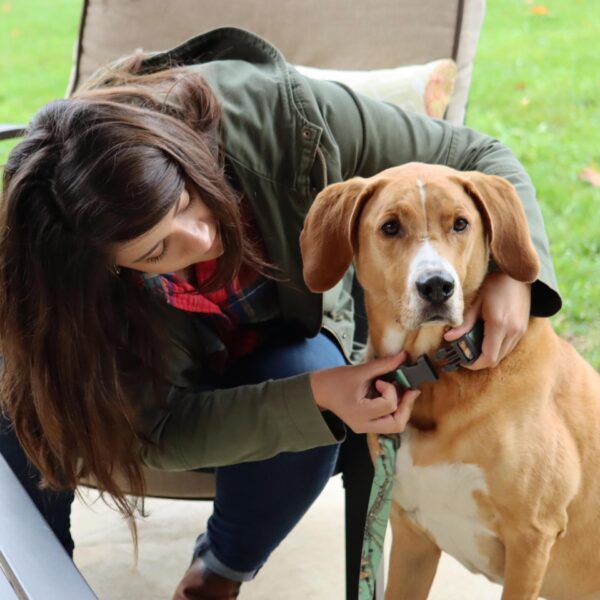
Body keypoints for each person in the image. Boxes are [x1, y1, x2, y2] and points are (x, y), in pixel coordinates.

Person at [0, 27, 561, 600]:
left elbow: (478, 155)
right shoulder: (68, 279)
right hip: (168, 370)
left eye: (188, 199)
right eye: (155, 251)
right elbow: (158, 427)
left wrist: (516, 276)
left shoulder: (290, 122)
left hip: (291, 348)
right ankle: (43, 583)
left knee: (302, 372)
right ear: (103, 268)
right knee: (17, 390)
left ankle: (220, 569)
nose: (200, 239)